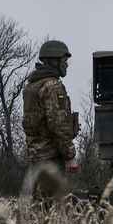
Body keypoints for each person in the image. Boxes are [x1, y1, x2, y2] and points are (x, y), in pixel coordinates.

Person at [22, 40, 80, 199]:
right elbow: (58, 124)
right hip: (51, 156)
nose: (66, 64)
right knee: (52, 205)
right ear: (54, 61)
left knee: (39, 204)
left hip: (36, 154)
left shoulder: (31, 86)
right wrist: (70, 156)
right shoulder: (53, 86)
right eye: (64, 60)